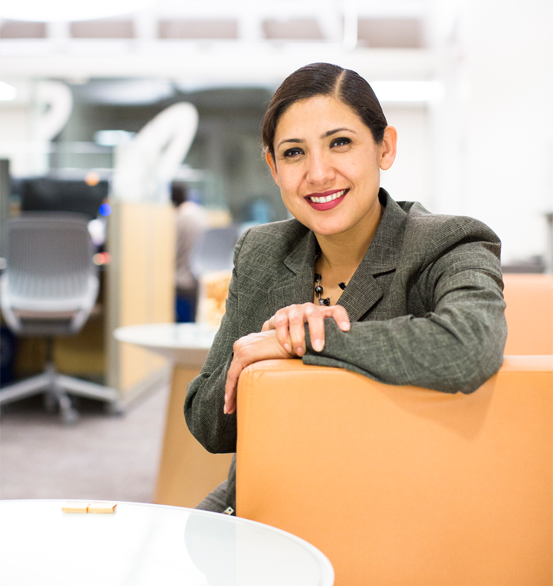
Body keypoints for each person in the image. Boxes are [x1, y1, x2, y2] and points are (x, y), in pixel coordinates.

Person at [184, 62, 507, 515]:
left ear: (384, 147)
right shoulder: (261, 250)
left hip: (387, 515)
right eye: (294, 153)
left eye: (340, 143)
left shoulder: (448, 242)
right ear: (273, 169)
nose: (318, 173)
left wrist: (303, 341)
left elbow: (469, 346)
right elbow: (207, 423)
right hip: (265, 504)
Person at [172, 183, 210, 322]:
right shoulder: (200, 213)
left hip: (181, 279)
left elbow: (174, 249)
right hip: (197, 276)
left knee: (181, 325)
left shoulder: (180, 218)